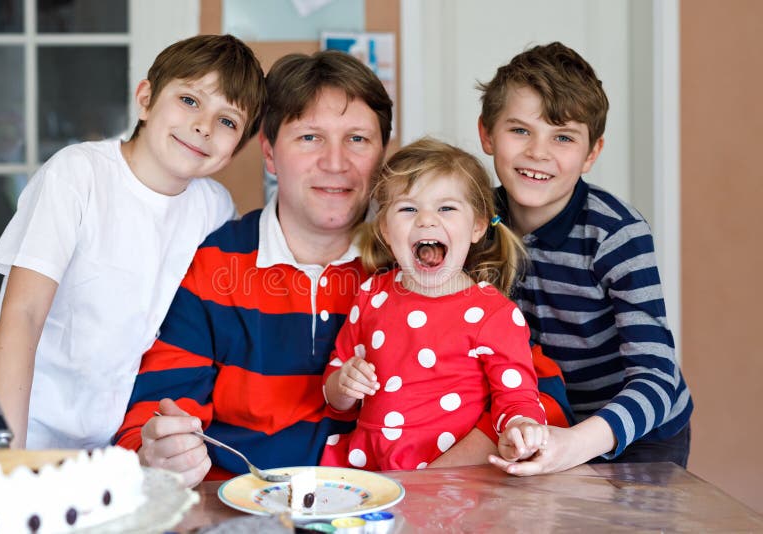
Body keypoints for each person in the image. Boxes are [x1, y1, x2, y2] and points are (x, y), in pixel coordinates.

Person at [114, 51, 513, 488]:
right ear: (269, 152)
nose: (336, 162)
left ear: (383, 157)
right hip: (244, 510)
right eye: (309, 137)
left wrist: (431, 487)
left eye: (358, 139)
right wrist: (157, 450)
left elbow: (533, 394)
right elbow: (154, 412)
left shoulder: (426, 262)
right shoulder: (213, 263)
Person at [0, 33, 266, 450]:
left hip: (108, 439)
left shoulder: (213, 208)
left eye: (228, 121)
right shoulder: (78, 174)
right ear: (145, 98)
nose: (203, 126)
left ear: (237, 148)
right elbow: (24, 315)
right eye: (190, 100)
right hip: (20, 425)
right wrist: (8, 454)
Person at [477, 42, 693, 475]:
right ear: (486, 134)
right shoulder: (471, 225)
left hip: (635, 435)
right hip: (533, 428)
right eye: (520, 130)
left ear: (591, 153)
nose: (538, 152)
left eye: (563, 137)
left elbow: (657, 379)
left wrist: (577, 443)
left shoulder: (615, 234)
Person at [319, 137, 552, 471]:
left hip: (452, 487)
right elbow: (336, 395)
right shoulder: (372, 294)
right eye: (408, 209)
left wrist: (520, 428)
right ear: (385, 228)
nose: (426, 220)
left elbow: (516, 398)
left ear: (477, 226)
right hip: (369, 475)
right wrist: (343, 384)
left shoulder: (494, 314)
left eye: (446, 208)